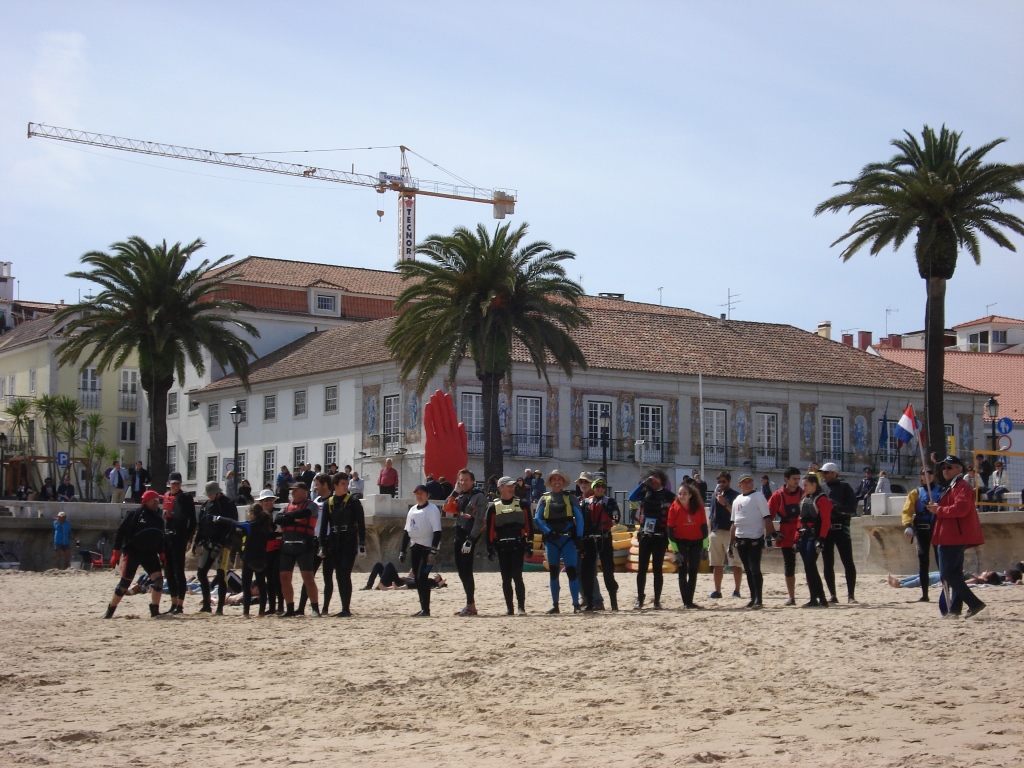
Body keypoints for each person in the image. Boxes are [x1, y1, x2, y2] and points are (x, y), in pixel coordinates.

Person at [928, 455, 986, 619]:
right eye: (944, 467)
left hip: (953, 536)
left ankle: (974, 603)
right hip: (949, 534)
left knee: (947, 573)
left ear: (959, 469)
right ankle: (954, 609)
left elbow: (961, 508)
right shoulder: (952, 486)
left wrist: (938, 510)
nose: (945, 470)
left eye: (949, 467)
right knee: (955, 573)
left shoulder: (962, 486)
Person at [104, 490, 165, 618]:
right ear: (148, 501)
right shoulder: (135, 515)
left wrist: (162, 553)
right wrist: (116, 552)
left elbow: (160, 538)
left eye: (158, 501)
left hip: (150, 554)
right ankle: (110, 610)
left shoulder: (159, 520)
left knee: (158, 581)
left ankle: (155, 610)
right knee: (124, 584)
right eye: (155, 500)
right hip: (133, 552)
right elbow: (121, 532)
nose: (157, 503)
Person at [534, 469, 585, 613]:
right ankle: (555, 605)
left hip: (567, 539)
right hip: (552, 540)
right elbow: (537, 519)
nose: (557, 482)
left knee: (572, 571)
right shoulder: (544, 499)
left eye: (559, 479)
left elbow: (579, 519)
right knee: (553, 572)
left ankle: (576, 605)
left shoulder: (570, 498)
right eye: (554, 479)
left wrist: (579, 537)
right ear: (550, 482)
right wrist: (549, 532)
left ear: (563, 482)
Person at [627, 469, 675, 609]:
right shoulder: (645, 493)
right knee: (642, 569)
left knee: (657, 570)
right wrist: (643, 483)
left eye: (656, 478)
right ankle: (640, 598)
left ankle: (657, 601)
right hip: (645, 536)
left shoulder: (668, 495)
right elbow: (631, 497)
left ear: (662, 479)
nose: (653, 480)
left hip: (660, 536)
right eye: (651, 478)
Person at [486, 476, 532, 616]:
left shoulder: (522, 504)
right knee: (506, 578)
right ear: (500, 488)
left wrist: (529, 544)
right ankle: (509, 608)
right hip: (502, 547)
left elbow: (529, 525)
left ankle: (521, 608)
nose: (512, 488)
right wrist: (490, 549)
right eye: (509, 486)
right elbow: (490, 530)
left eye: (513, 486)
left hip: (518, 545)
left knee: (517, 576)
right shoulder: (493, 507)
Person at [322, 472, 366, 617]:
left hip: (349, 540)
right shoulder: (329, 503)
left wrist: (362, 543)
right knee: (338, 574)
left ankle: (346, 608)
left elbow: (361, 523)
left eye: (347, 484)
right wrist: (322, 545)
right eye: (343, 484)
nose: (346, 486)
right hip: (335, 541)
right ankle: (343, 607)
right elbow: (324, 526)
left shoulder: (353, 501)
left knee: (345, 573)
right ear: (335, 485)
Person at [730, 473, 776, 609]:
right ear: (739, 485)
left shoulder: (758, 497)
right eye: (745, 482)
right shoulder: (737, 500)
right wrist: (730, 544)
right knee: (748, 569)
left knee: (755, 568)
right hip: (741, 538)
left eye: (750, 481)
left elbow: (767, 517)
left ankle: (758, 598)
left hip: (755, 538)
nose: (748, 484)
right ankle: (752, 597)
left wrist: (768, 537)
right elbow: (733, 523)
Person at [275, 481, 321, 617]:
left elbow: (304, 513)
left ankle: (315, 608)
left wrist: (288, 517)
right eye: (292, 490)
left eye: (295, 490)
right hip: (287, 545)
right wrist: (293, 518)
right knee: (284, 577)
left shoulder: (311, 506)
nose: (292, 492)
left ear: (304, 492)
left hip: (304, 545)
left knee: (308, 577)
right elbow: (278, 519)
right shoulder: (287, 506)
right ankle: (290, 609)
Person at [399, 484, 443, 616]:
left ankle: (426, 610)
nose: (419, 496)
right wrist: (402, 550)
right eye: (417, 494)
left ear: (427, 495)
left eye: (421, 493)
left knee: (422, 576)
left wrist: (433, 551)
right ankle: (423, 607)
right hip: (415, 548)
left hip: (428, 549)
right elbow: (406, 532)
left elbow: (437, 532)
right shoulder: (412, 510)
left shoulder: (432, 509)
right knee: (417, 579)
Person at [448, 468, 487, 616]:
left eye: (466, 480)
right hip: (458, 533)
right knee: (461, 571)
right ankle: (469, 604)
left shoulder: (479, 497)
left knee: (466, 569)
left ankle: (471, 605)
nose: (463, 483)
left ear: (472, 481)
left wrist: (471, 540)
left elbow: (479, 521)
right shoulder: (460, 495)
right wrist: (454, 492)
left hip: (469, 535)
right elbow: (447, 508)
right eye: (461, 480)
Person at [194, 481, 237, 615]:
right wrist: (197, 540)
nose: (210, 496)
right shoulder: (206, 505)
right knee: (201, 573)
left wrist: (221, 543)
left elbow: (231, 525)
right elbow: (202, 525)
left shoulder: (228, 504)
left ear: (218, 492)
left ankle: (220, 608)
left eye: (212, 494)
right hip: (208, 543)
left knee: (221, 574)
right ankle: (206, 604)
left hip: (224, 544)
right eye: (209, 494)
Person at [224, 503, 273, 617]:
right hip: (262, 559)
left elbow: (234, 522)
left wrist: (218, 518)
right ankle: (261, 612)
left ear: (251, 514)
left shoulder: (250, 525)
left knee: (246, 586)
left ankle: (246, 613)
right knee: (261, 585)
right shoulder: (266, 525)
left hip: (249, 559)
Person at [900, 468, 941, 602]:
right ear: (921, 477)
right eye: (924, 473)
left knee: (941, 560)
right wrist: (908, 525)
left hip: (937, 529)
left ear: (933, 475)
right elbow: (907, 511)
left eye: (930, 472)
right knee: (923, 561)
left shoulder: (941, 491)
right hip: (921, 530)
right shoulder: (916, 493)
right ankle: (925, 594)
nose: (927, 475)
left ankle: (946, 592)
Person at [820, 462, 858, 603]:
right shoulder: (821, 488)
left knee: (847, 561)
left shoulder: (845, 487)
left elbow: (852, 508)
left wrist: (835, 507)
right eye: (822, 472)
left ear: (834, 473)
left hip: (841, 528)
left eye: (826, 472)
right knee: (827, 562)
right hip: (826, 530)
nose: (823, 475)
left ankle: (851, 595)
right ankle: (832, 595)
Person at [579, 477, 620, 612]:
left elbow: (615, 514)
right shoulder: (585, 502)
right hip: (589, 540)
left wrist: (615, 518)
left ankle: (614, 603)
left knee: (608, 572)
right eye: (598, 486)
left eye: (603, 487)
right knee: (587, 573)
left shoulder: (610, 502)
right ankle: (590, 602)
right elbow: (581, 520)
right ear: (594, 488)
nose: (600, 489)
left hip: (604, 539)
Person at [667, 482, 708, 609]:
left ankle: (690, 601)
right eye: (680, 493)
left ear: (690, 495)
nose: (682, 496)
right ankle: (686, 603)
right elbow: (670, 531)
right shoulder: (674, 507)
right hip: (681, 542)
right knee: (682, 571)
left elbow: (704, 528)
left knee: (693, 571)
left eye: (684, 493)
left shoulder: (699, 507)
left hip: (696, 542)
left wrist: (705, 547)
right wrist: (676, 551)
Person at [162, 472, 197, 615]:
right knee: (168, 572)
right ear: (169, 483)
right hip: (167, 538)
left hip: (179, 538)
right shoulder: (166, 496)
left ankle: (180, 605)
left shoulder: (185, 497)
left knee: (178, 571)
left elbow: (192, 520)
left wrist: (188, 538)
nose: (175, 486)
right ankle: (173, 603)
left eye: (178, 483)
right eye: (173, 483)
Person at [767, 467, 803, 605]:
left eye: (798, 478)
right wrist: (773, 533)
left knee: (809, 563)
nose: (797, 481)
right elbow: (767, 515)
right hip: (786, 533)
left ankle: (814, 596)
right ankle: (792, 597)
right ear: (786, 479)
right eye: (794, 479)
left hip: (802, 531)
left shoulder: (803, 493)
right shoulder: (778, 495)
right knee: (789, 565)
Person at [299, 472, 334, 616]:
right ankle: (301, 607)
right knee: (308, 575)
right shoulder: (315, 502)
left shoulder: (333, 501)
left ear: (325, 485)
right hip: (314, 541)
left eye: (317, 485)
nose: (315, 488)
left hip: (329, 541)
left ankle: (325, 608)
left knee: (327, 576)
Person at [797, 473, 832, 608]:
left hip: (815, 535)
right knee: (809, 567)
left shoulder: (822, 499)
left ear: (814, 485)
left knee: (810, 564)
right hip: (804, 535)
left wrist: (822, 539)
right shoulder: (806, 499)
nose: (804, 488)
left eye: (806, 485)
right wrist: (796, 538)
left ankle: (821, 598)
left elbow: (826, 521)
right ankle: (815, 598)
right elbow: (800, 520)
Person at [707, 471, 742, 599]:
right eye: (719, 481)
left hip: (730, 531)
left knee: (735, 563)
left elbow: (737, 514)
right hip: (716, 532)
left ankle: (737, 590)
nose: (721, 484)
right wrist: (710, 532)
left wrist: (724, 503)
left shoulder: (735, 496)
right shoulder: (715, 495)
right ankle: (717, 590)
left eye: (724, 481)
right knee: (716, 563)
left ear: (729, 481)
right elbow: (711, 515)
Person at [256, 489, 284, 614]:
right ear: (261, 502)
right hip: (265, 550)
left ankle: (281, 606)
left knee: (277, 578)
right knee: (269, 579)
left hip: (277, 549)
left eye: (270, 500)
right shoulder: (259, 516)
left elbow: (277, 530)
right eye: (265, 500)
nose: (268, 502)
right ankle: (272, 607)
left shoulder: (278, 513)